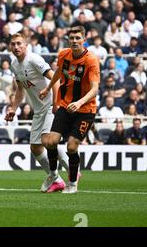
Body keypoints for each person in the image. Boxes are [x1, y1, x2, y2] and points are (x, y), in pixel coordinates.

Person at [5, 32, 69, 193]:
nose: (16, 47)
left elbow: (55, 78)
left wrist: (56, 103)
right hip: (38, 109)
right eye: (13, 44)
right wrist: (13, 108)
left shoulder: (34, 59)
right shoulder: (14, 64)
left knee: (47, 141)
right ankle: (56, 179)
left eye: (19, 43)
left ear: (26, 45)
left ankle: (72, 168)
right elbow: (20, 89)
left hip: (49, 105)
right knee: (35, 147)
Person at [39, 26, 100, 194]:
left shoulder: (91, 60)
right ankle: (53, 174)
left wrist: (80, 102)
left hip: (85, 109)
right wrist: (48, 88)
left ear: (84, 40)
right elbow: (58, 72)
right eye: (71, 38)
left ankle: (72, 183)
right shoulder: (63, 54)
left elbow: (95, 89)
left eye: (77, 38)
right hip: (66, 105)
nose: (74, 41)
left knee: (71, 147)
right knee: (50, 142)